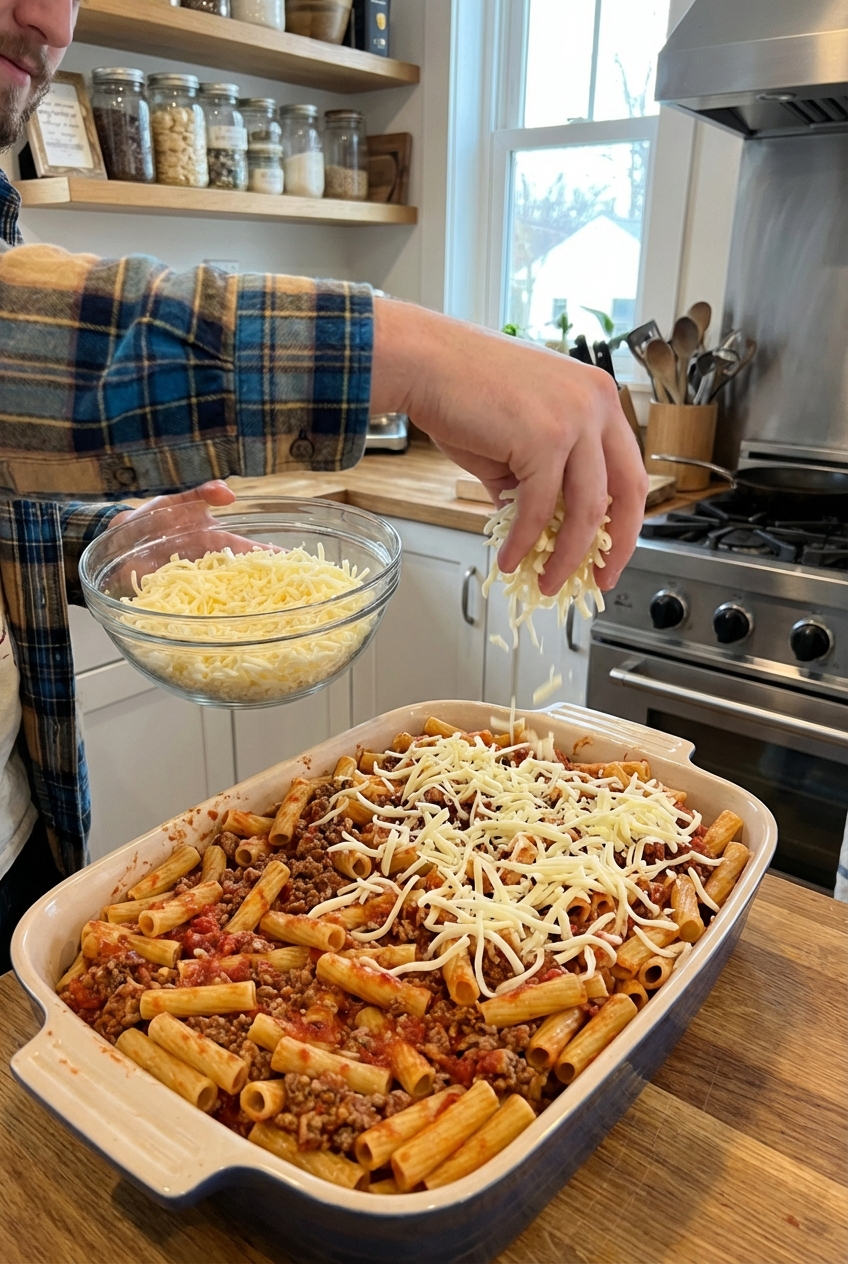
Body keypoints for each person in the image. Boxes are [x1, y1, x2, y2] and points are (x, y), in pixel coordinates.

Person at [0, 0, 647, 968]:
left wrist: (112, 541)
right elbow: (35, 340)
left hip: (18, 835)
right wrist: (411, 354)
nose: (49, 19)